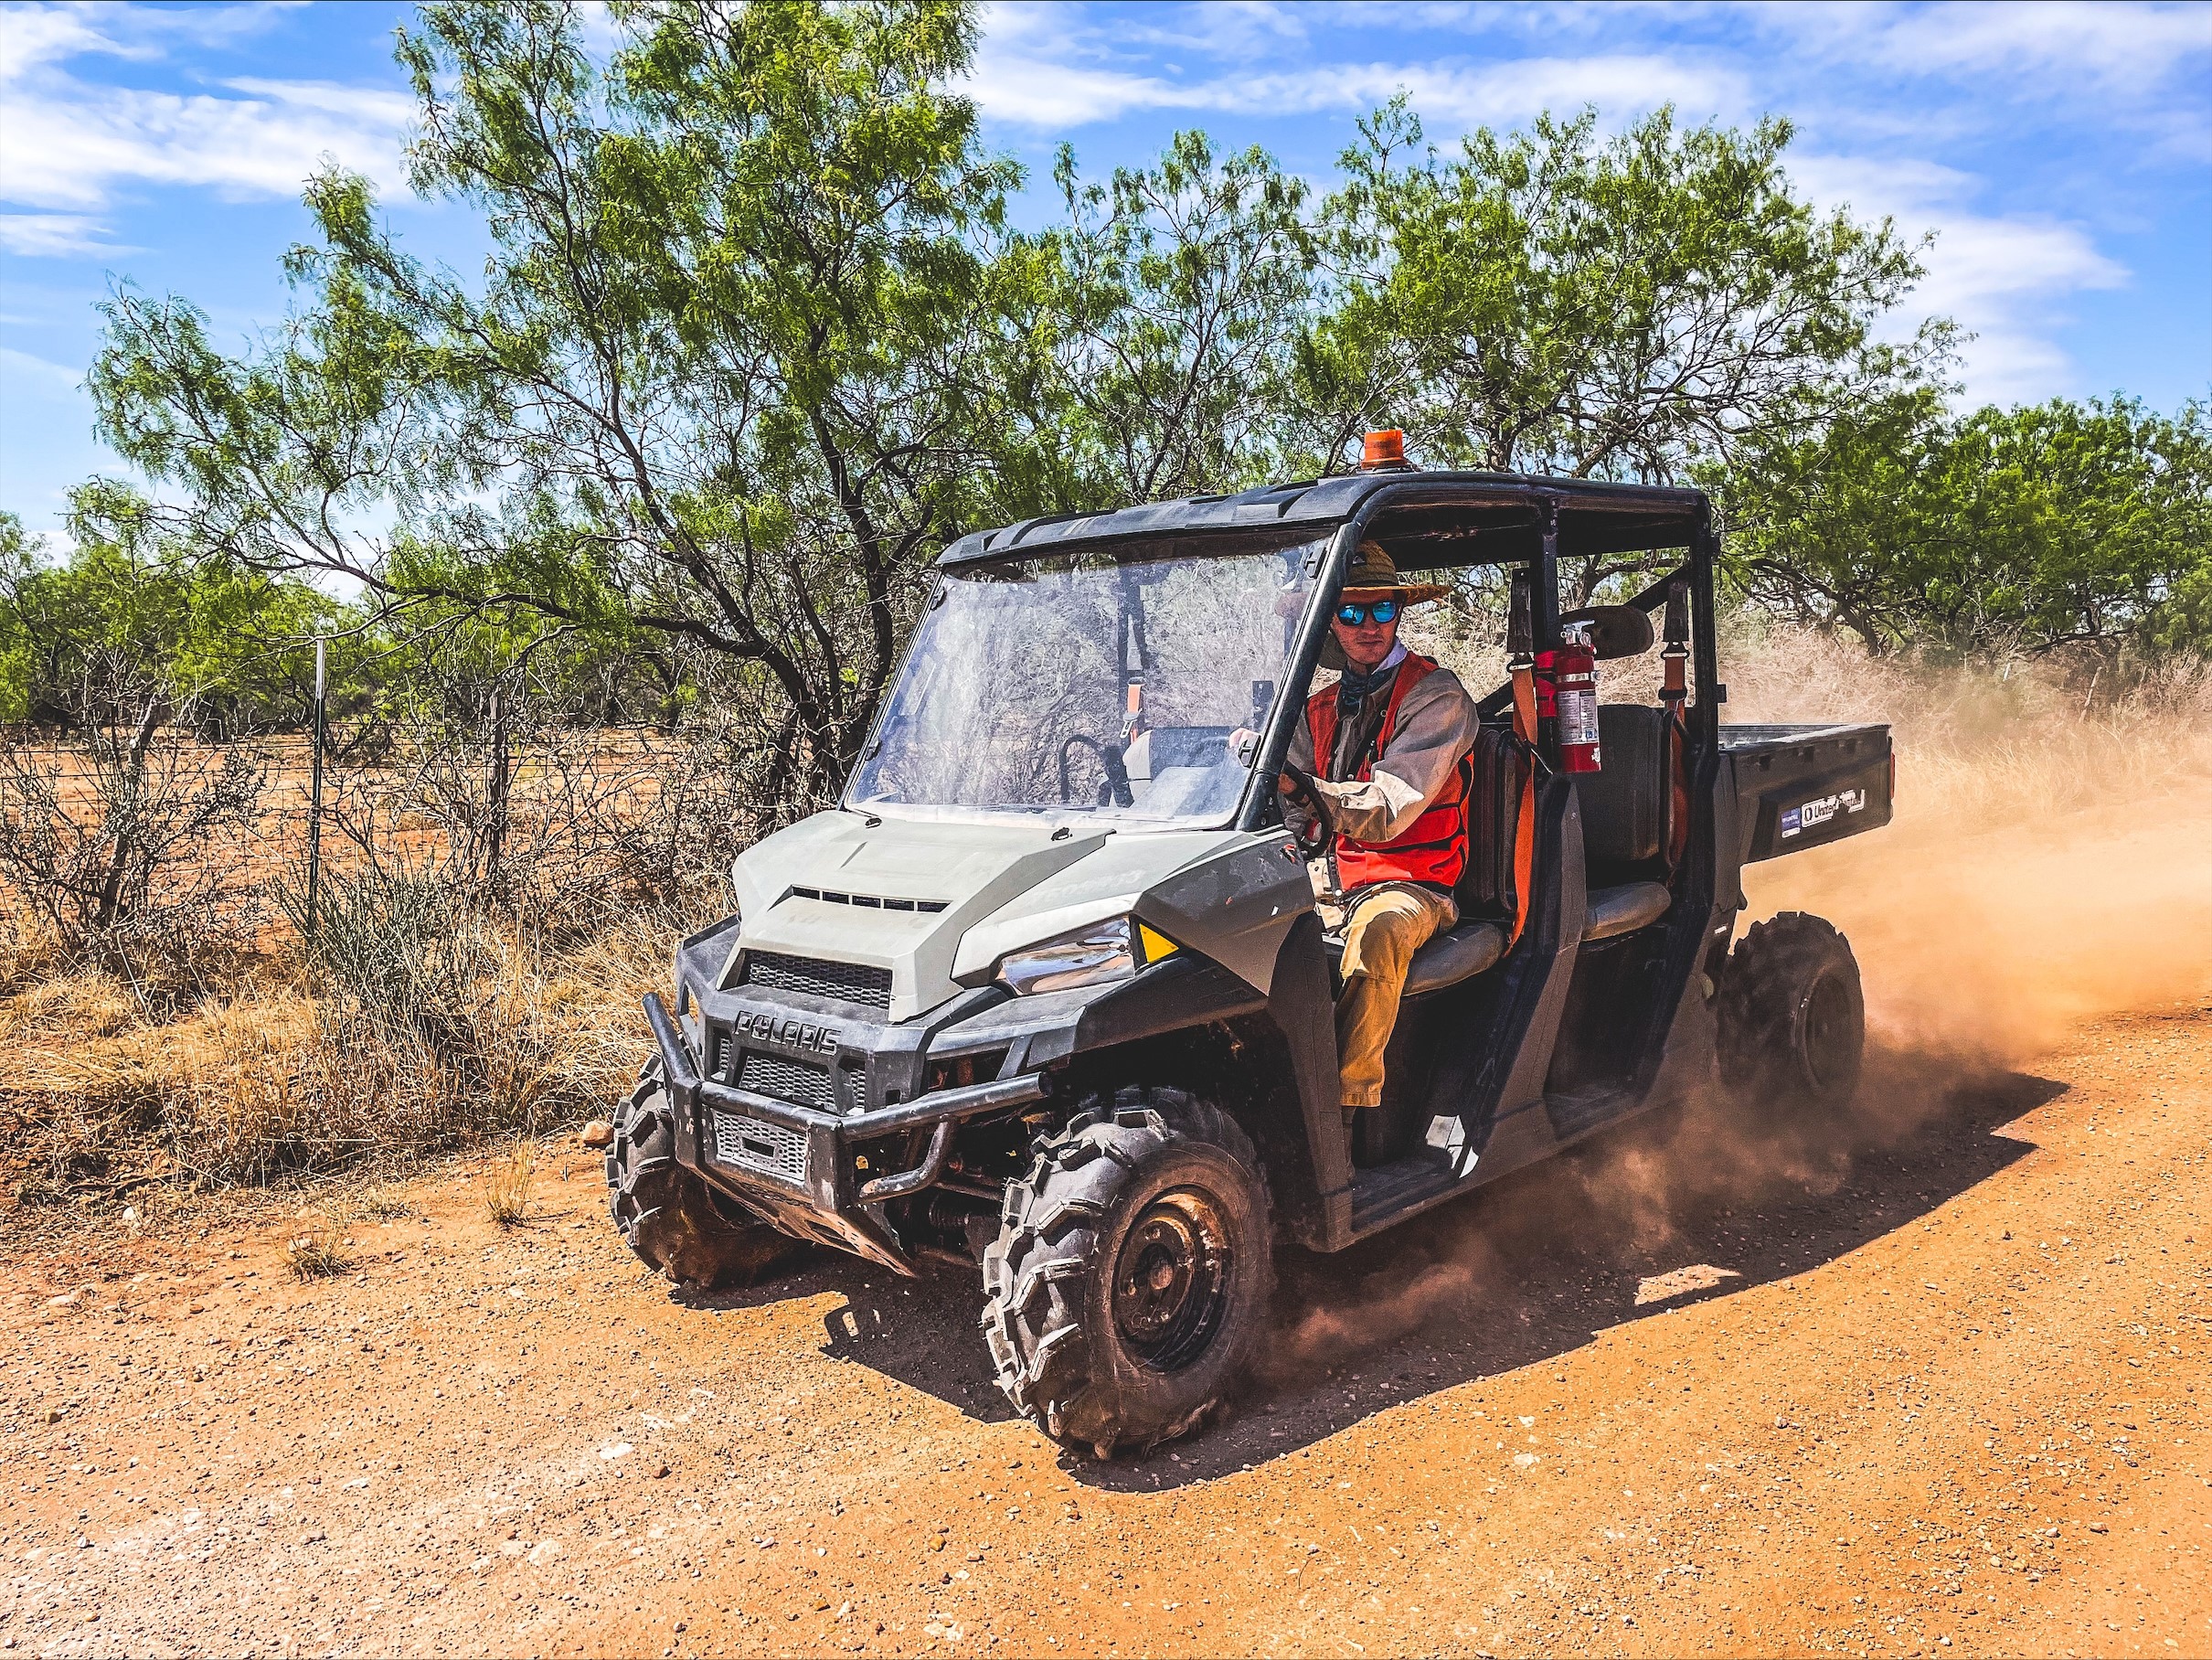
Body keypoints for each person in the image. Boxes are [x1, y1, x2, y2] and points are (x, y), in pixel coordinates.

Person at [1279, 544, 1479, 1136]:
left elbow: (1389, 810)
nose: (1369, 627)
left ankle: (1342, 1117)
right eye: (1352, 613)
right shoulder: (1313, 708)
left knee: (1379, 934)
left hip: (1411, 886)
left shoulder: (1437, 697)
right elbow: (1284, 807)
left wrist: (1304, 790)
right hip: (1327, 881)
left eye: (1383, 610)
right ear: (1331, 623)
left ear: (1400, 613)